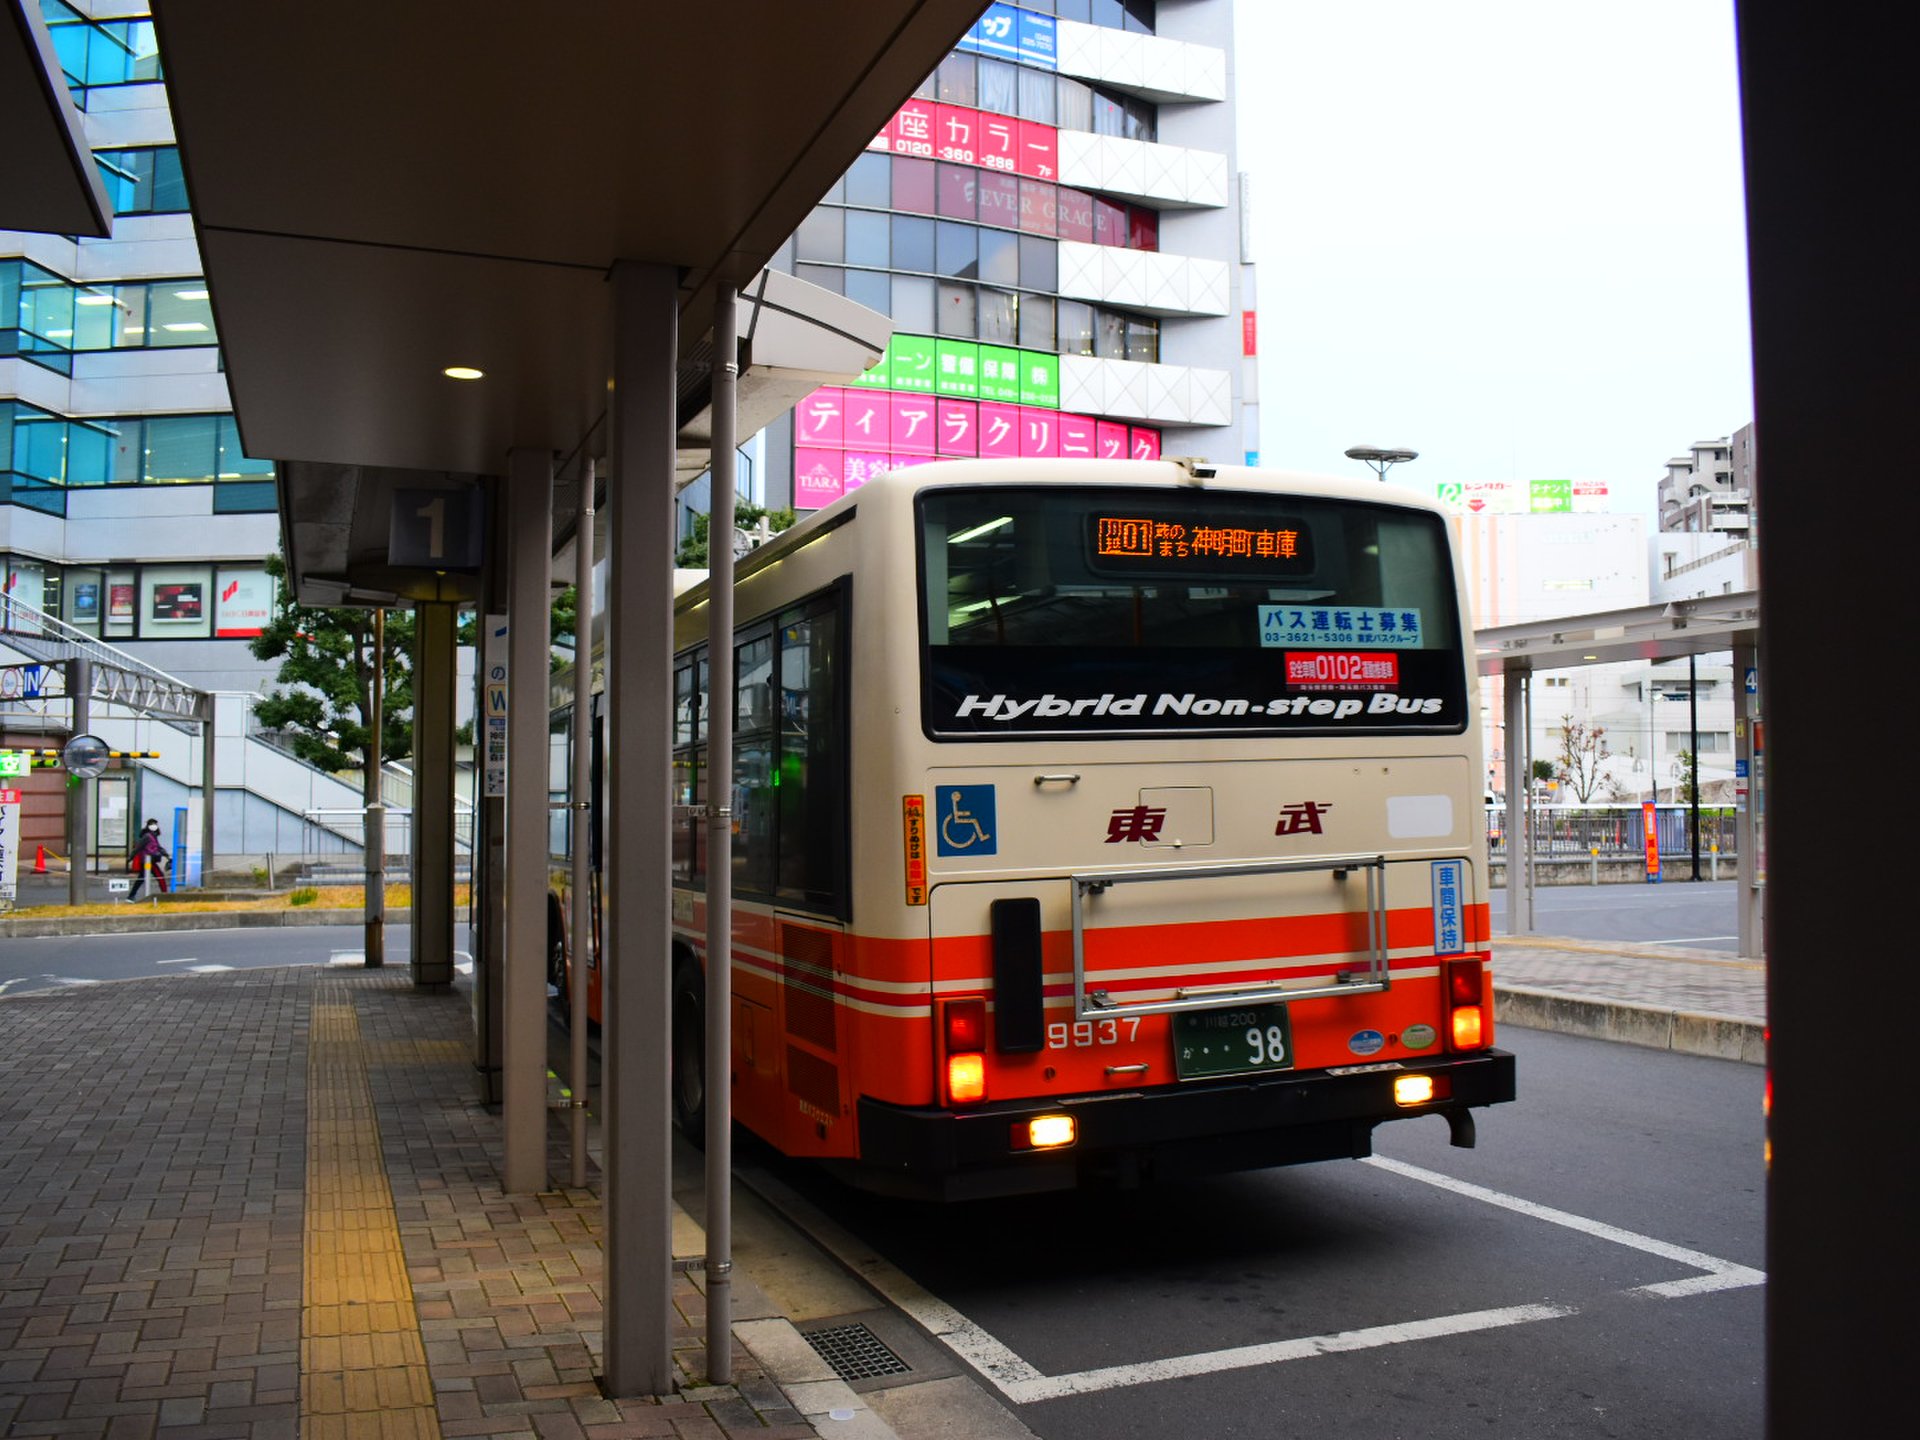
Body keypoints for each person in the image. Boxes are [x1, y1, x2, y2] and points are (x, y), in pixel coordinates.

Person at [127, 819, 170, 900]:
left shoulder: (153, 836)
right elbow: (138, 848)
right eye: (152, 824)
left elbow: (158, 848)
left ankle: (130, 896)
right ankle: (165, 895)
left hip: (150, 860)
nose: (155, 826)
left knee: (141, 878)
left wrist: (166, 855)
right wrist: (131, 857)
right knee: (160, 876)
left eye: (155, 824)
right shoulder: (147, 836)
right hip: (148, 861)